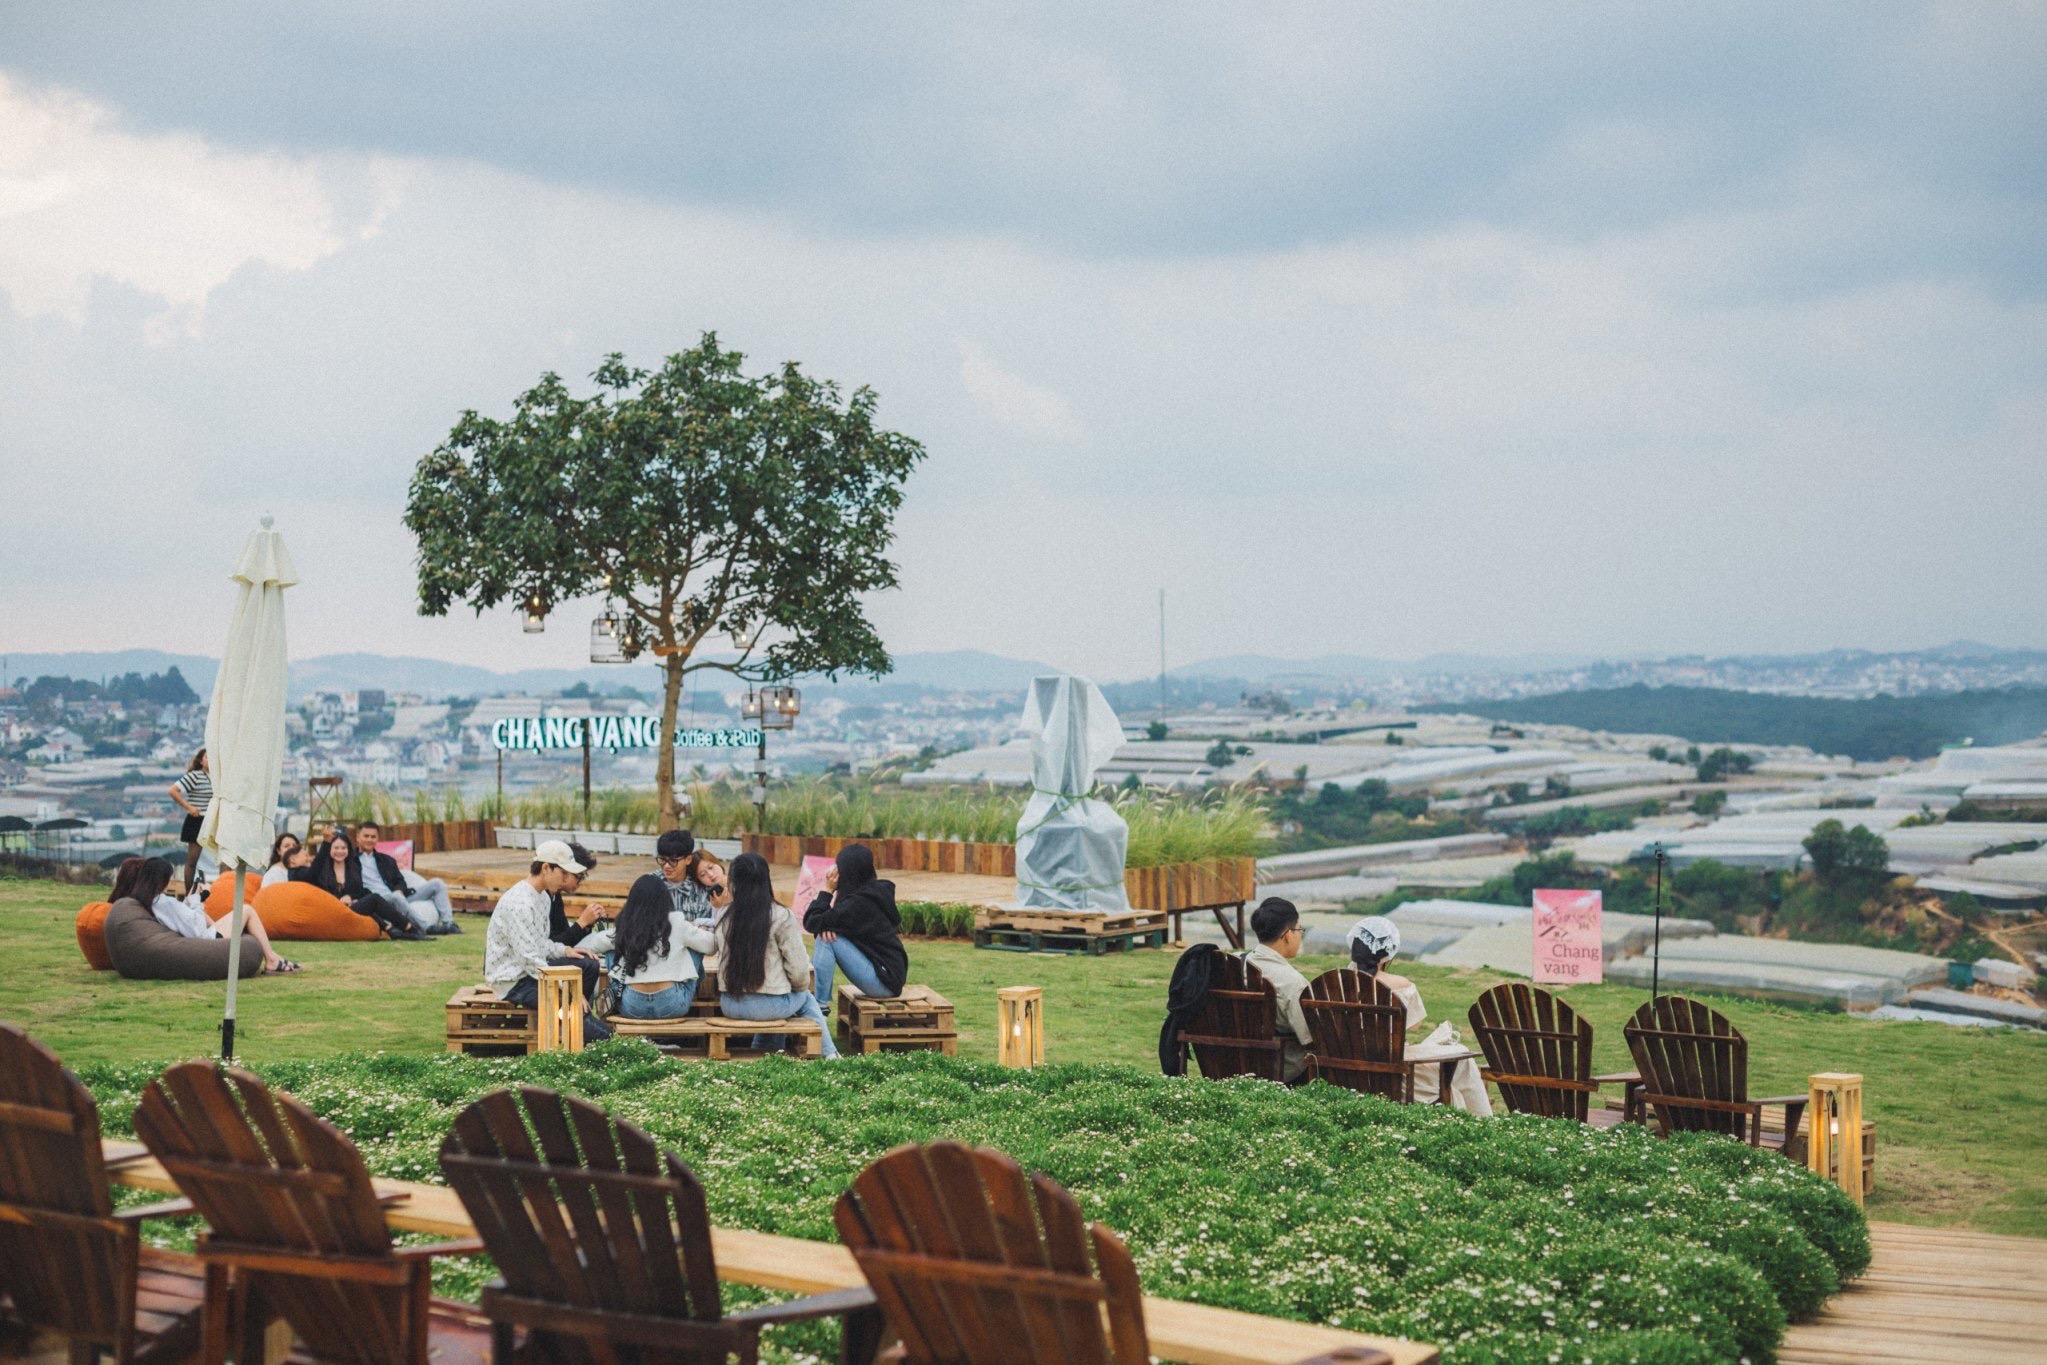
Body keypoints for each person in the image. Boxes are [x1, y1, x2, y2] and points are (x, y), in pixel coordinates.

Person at [1346, 917, 1492, 1116]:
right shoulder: (1399, 985)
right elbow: (1415, 1024)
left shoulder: (1334, 982)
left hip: (1347, 1070)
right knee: (1462, 1058)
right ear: (1387, 955)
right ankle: (1483, 1120)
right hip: (1394, 1075)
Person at [483, 839, 610, 1041]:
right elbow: (530, 960)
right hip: (514, 979)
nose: (567, 879)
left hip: (531, 970)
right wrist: (570, 989)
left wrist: (565, 951)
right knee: (574, 1004)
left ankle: (573, 1023)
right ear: (545, 868)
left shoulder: (542, 897)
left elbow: (541, 943)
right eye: (564, 873)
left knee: (588, 965)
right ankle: (588, 1028)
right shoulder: (520, 904)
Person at [713, 853, 838, 1058]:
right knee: (805, 998)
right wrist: (796, 989)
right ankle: (830, 1055)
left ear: (733, 882)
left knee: (782, 1001)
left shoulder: (724, 915)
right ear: (766, 880)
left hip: (730, 1004)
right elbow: (799, 973)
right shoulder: (780, 915)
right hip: (769, 1006)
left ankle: (760, 1052)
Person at [112, 855, 300, 974]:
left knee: (221, 917)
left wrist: (193, 901)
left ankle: (273, 957)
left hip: (192, 938)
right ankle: (272, 959)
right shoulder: (164, 902)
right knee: (247, 910)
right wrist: (196, 900)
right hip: (206, 939)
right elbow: (196, 928)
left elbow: (182, 920)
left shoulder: (148, 901)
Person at [803, 842, 907, 1002]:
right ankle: (819, 1004)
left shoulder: (860, 903)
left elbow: (811, 921)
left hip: (884, 981)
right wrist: (824, 926)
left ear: (847, 872)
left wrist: (827, 891)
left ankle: (819, 1005)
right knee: (826, 934)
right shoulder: (870, 894)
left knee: (826, 940)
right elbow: (818, 922)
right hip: (890, 975)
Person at [609, 873, 718, 1021]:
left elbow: (596, 944)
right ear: (665, 899)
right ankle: (696, 990)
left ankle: (616, 994)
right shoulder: (677, 922)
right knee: (695, 946)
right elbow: (711, 946)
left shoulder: (625, 924)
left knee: (610, 950)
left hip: (632, 1006)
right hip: (672, 1004)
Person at [1242, 896, 1313, 1083]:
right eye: (1299, 930)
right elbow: (1310, 1037)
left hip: (1234, 1064)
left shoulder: (1232, 965)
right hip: (1282, 1071)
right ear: (1289, 935)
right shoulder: (1292, 983)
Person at [309, 829, 424, 939]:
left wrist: (351, 897)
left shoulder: (354, 867)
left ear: (349, 850)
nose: (340, 851)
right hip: (332, 912)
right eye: (336, 848)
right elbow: (313, 874)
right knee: (374, 899)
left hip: (351, 911)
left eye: (343, 848)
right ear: (329, 849)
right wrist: (326, 842)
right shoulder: (322, 869)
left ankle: (400, 929)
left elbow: (358, 890)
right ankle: (405, 928)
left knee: (371, 898)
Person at [354, 821, 460, 934]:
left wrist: (399, 890)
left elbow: (400, 880)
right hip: (379, 902)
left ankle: (449, 923)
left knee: (437, 883)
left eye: (373, 837)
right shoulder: (350, 861)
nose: (370, 839)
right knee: (395, 897)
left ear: (377, 839)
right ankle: (426, 928)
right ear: (358, 837)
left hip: (399, 897)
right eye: (366, 836)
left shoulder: (386, 860)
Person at [548, 841, 613, 953]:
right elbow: (553, 945)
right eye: (580, 876)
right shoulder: (543, 895)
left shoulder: (555, 896)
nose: (580, 882)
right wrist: (581, 922)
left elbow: (565, 935)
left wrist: (588, 924)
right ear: (565, 871)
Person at [167, 748, 211, 894]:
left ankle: (223, 888)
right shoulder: (195, 776)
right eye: (207, 757)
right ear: (200, 760)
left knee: (224, 857)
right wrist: (188, 807)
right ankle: (189, 892)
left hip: (214, 820)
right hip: (197, 819)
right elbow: (173, 790)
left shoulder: (220, 778)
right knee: (193, 859)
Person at [655, 829, 714, 921]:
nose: (666, 866)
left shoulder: (700, 889)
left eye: (673, 861)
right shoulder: (650, 884)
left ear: (688, 859)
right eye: (662, 859)